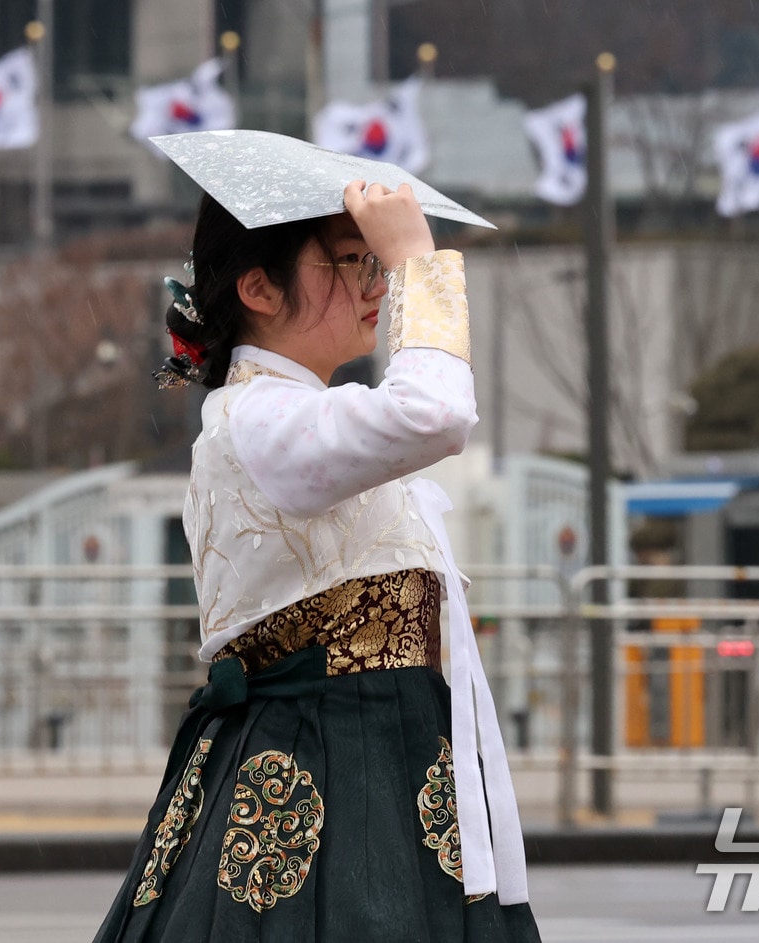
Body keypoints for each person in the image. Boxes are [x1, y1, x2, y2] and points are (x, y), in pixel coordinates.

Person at [92, 159, 540, 941]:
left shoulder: (295, 414)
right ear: (259, 290)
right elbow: (436, 412)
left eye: (376, 262)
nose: (375, 284)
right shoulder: (258, 417)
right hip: (328, 768)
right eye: (352, 260)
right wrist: (417, 263)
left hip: (375, 763)